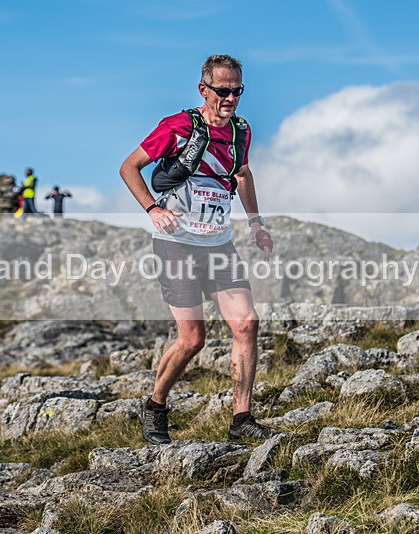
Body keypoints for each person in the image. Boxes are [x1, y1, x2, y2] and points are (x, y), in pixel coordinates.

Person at [119, 54, 275, 444]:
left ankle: (241, 419)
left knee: (247, 323)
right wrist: (153, 209)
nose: (230, 99)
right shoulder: (178, 127)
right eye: (222, 91)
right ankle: (155, 405)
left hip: (218, 243)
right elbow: (129, 167)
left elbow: (242, 173)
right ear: (203, 89)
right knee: (192, 339)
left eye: (237, 91)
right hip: (176, 245)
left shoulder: (241, 132)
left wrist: (256, 223)